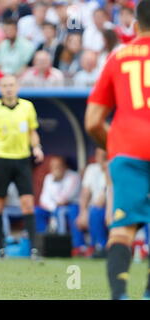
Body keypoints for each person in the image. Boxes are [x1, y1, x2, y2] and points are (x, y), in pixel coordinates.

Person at [85, 0, 150, 300]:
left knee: (122, 230)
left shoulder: (118, 57)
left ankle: (121, 294)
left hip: (128, 150)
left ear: (136, 25)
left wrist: (116, 145)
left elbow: (93, 121)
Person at [0, 74, 44, 259]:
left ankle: (33, 249)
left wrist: (36, 147)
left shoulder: (27, 106)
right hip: (0, 160)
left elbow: (33, 132)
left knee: (28, 204)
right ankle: (1, 248)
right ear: (1, 88)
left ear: (17, 87)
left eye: (11, 85)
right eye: (5, 85)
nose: (8, 88)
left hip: (22, 160)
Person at [35, 156, 84, 256]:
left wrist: (57, 181)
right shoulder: (49, 177)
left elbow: (65, 198)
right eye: (53, 166)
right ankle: (44, 243)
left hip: (71, 206)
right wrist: (53, 207)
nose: (56, 169)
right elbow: (43, 198)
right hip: (53, 208)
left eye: (58, 166)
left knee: (65, 212)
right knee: (37, 211)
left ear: (65, 166)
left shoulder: (73, 176)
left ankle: (76, 246)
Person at [76, 148, 108, 258]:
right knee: (86, 211)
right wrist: (83, 212)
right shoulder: (92, 169)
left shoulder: (114, 168)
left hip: (114, 207)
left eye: (105, 155)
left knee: (95, 211)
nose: (102, 158)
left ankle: (102, 247)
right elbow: (85, 192)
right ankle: (83, 248)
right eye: (100, 155)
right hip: (96, 207)